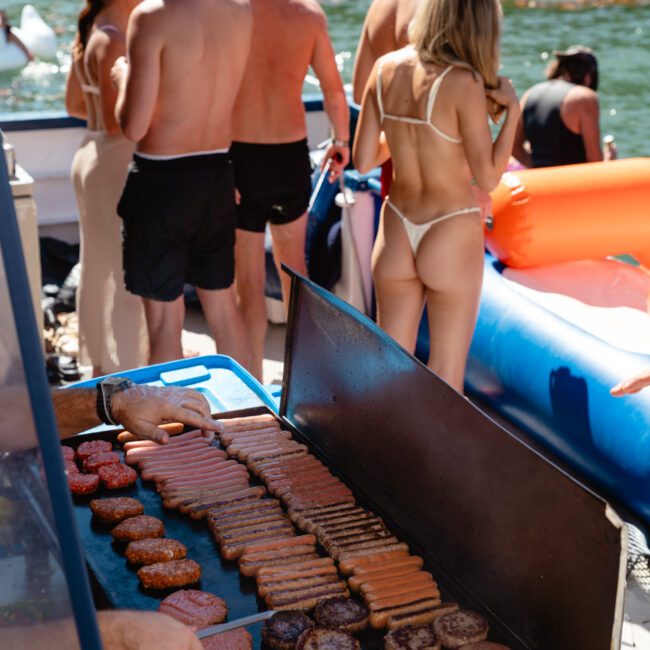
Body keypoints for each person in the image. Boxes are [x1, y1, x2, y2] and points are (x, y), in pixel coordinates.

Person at [353, 0, 519, 392]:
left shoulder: (385, 67)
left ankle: (382, 452)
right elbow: (489, 176)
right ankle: (432, 456)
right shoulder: (464, 82)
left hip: (396, 226)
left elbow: (362, 160)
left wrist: (407, 129)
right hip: (449, 227)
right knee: (446, 371)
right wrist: (512, 111)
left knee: (388, 367)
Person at [111, 0, 252, 369]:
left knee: (163, 324)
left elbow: (134, 127)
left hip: (162, 181)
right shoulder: (240, 11)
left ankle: (171, 426)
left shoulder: (151, 16)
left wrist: (121, 77)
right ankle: (248, 418)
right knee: (224, 309)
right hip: (217, 173)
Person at [229, 0, 349, 381]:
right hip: (289, 156)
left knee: (247, 285)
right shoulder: (308, 14)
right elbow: (333, 90)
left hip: (241, 157)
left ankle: (251, 381)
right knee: (294, 270)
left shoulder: (231, 11)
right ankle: (301, 379)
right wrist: (341, 141)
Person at [65, 0, 149, 377]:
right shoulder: (114, 39)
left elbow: (73, 104)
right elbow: (122, 124)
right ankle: (127, 369)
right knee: (125, 273)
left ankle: (101, 365)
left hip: (89, 153)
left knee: (97, 266)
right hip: (113, 159)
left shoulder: (90, 32)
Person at [512, 45, 610, 168]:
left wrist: (539, 168)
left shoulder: (530, 93)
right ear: (588, 77)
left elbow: (514, 148)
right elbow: (595, 161)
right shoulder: (585, 97)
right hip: (572, 183)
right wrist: (608, 159)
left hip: (538, 181)